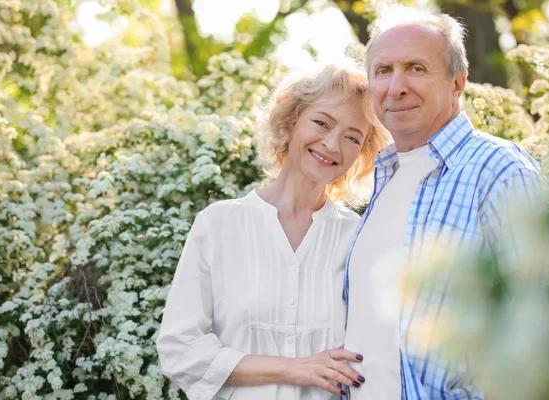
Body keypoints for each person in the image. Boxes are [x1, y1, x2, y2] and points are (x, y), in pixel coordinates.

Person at [343, 5, 544, 399]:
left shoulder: (499, 171)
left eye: (416, 68)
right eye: (383, 71)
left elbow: (536, 330)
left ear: (458, 83)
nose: (396, 86)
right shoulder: (381, 181)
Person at [156, 62, 390, 400]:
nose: (332, 144)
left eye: (353, 137)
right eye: (322, 122)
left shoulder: (359, 236)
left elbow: (377, 354)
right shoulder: (218, 225)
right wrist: (294, 368)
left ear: (362, 153)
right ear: (291, 122)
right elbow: (181, 350)